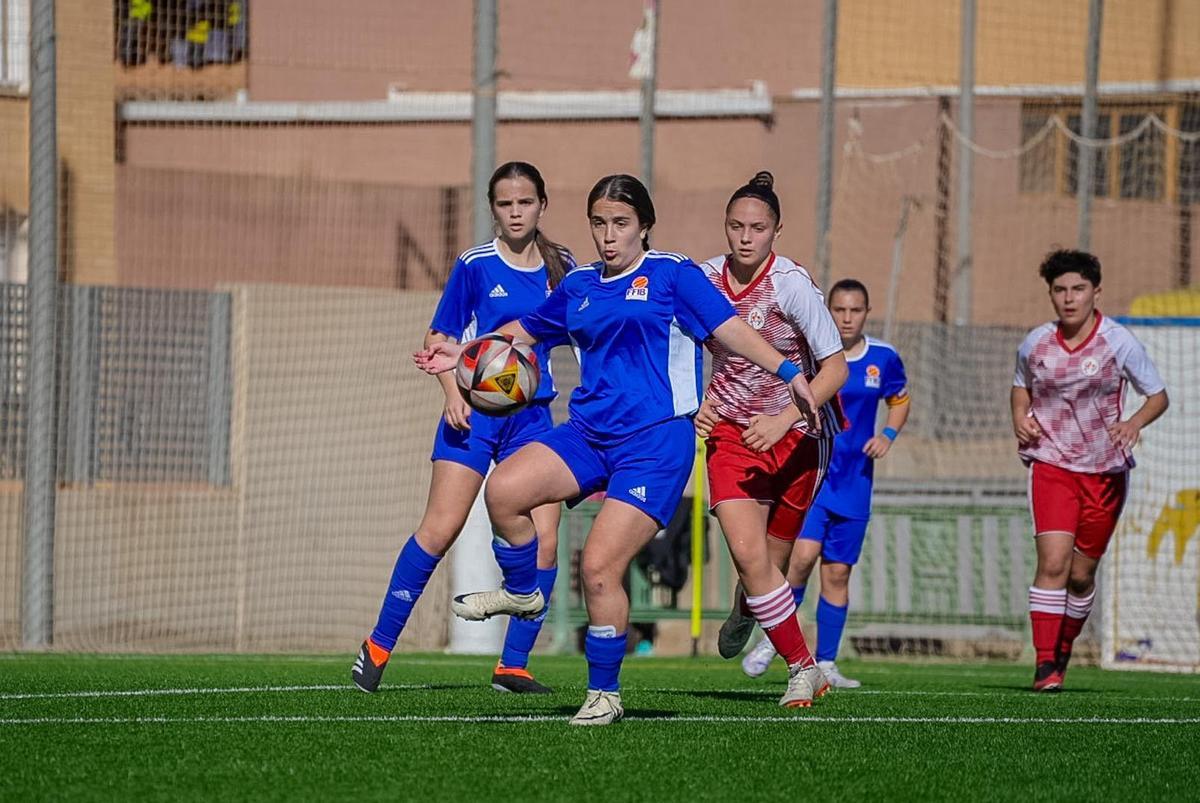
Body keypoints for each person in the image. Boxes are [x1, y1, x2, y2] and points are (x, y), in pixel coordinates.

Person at [416, 174, 826, 726]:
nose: (609, 236)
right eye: (599, 224)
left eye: (621, 224)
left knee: (601, 566)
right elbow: (524, 331)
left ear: (644, 227)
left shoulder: (672, 274)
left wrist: (787, 371)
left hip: (655, 443)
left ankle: (604, 692)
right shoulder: (581, 283)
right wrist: (462, 354)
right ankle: (525, 594)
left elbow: (729, 329)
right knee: (505, 491)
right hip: (587, 434)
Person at [352, 161, 572, 696]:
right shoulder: (474, 265)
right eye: (505, 203)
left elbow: (581, 332)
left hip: (534, 417)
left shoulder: (564, 266)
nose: (516, 212)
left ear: (543, 205)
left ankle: (512, 666)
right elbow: (439, 337)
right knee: (440, 528)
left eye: (525, 202)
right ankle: (379, 645)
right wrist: (452, 393)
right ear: (492, 209)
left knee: (545, 544)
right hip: (472, 415)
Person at [691, 172, 848, 705]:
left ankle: (745, 610)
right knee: (747, 553)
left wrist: (785, 418)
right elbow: (674, 342)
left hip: (798, 439)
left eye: (757, 228)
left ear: (776, 231)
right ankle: (803, 668)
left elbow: (835, 368)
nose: (745, 237)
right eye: (736, 226)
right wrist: (698, 398)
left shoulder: (792, 285)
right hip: (732, 435)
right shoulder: (704, 280)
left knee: (769, 571)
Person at [739, 278, 909, 688]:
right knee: (798, 562)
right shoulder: (813, 355)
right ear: (828, 312)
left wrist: (887, 436)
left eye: (855, 310)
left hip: (855, 484)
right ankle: (771, 641)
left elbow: (899, 399)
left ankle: (828, 662)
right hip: (812, 474)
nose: (847, 318)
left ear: (866, 313)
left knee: (837, 575)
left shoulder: (883, 358)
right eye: (839, 310)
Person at [1011, 249, 1167, 692]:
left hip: (1105, 472)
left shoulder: (1119, 341)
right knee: (1054, 562)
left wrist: (1134, 423)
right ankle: (1044, 665)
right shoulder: (1035, 342)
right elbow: (1020, 387)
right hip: (1051, 463)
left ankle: (1063, 646)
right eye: (1060, 290)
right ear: (1051, 295)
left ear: (1096, 292)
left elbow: (1157, 395)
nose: (1069, 298)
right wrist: (1018, 418)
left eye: (1078, 288)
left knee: (1081, 575)